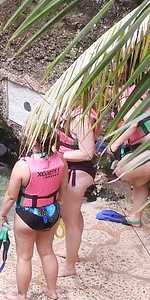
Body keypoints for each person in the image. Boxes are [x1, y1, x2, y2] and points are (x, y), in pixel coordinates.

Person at [0, 141, 66, 300]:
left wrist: (2, 215)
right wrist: (59, 207)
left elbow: (11, 196)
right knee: (47, 252)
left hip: (27, 214)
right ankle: (51, 290)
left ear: (34, 140)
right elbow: (63, 188)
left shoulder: (23, 166)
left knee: (24, 257)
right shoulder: (61, 160)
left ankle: (21, 295)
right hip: (51, 212)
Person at [103, 87, 150, 226]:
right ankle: (135, 217)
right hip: (148, 148)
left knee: (121, 170)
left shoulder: (125, 97)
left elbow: (132, 124)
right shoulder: (125, 98)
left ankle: (135, 216)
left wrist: (114, 145)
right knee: (139, 182)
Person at [54, 108, 97, 277]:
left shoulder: (81, 118)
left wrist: (58, 155)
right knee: (74, 214)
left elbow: (87, 152)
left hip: (78, 173)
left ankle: (70, 266)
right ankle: (73, 253)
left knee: (69, 219)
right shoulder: (67, 112)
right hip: (72, 170)